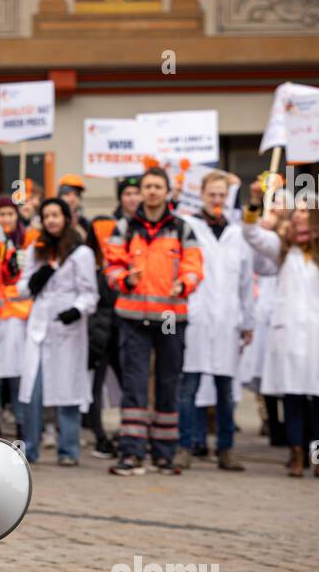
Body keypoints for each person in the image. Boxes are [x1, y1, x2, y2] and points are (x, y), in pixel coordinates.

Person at [102, 166, 203, 475]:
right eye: (148, 186)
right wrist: (124, 279)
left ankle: (163, 453)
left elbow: (194, 266)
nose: (152, 191)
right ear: (142, 191)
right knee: (133, 384)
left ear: (167, 191)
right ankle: (131, 452)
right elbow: (111, 267)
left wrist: (183, 284)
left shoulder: (183, 229)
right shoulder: (125, 228)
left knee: (168, 382)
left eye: (158, 186)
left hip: (171, 317)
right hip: (133, 317)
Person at [241, 193, 319, 478]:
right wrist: (255, 205)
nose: (298, 215)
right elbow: (252, 235)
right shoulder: (284, 248)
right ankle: (296, 454)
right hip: (288, 333)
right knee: (294, 398)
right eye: (297, 211)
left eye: (304, 211)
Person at [174, 171, 253, 472]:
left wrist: (248, 322)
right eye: (212, 194)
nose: (217, 200)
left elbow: (246, 282)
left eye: (222, 195)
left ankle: (226, 449)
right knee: (189, 387)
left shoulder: (238, 233)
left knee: (225, 390)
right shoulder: (189, 227)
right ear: (202, 195)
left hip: (227, 321)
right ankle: (185, 446)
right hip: (196, 317)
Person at [16, 197, 98, 464]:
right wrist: (39, 278)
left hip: (67, 327)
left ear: (65, 218)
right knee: (33, 390)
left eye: (56, 215)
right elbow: (23, 288)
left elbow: (89, 293)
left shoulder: (80, 252)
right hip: (40, 325)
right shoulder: (36, 249)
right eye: (47, 215)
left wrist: (76, 309)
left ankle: (68, 450)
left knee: (68, 390)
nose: (51, 220)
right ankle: (30, 447)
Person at [0, 197, 35, 437]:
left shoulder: (26, 241)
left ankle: (22, 424)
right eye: (1, 214)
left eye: (10, 214)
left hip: (19, 317)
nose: (6, 219)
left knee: (17, 374)